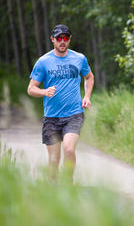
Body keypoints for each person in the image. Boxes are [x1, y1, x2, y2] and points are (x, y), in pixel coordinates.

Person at [27, 24, 94, 179]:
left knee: (69, 150)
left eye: (66, 38)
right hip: (51, 117)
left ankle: (68, 186)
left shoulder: (79, 58)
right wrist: (44, 91)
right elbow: (31, 88)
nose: (62, 41)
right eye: (59, 38)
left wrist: (87, 96)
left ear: (69, 40)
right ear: (52, 40)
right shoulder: (43, 62)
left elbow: (89, 76)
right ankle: (53, 191)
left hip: (74, 114)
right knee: (54, 161)